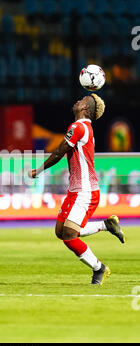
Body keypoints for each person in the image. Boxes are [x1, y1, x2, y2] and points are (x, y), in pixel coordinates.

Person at [29, 94, 125, 285]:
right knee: (60, 231)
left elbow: (59, 151)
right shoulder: (85, 128)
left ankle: (99, 268)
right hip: (76, 190)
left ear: (84, 109)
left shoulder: (78, 127)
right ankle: (106, 225)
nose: (76, 101)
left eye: (81, 101)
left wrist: (38, 170)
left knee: (69, 236)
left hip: (85, 192)